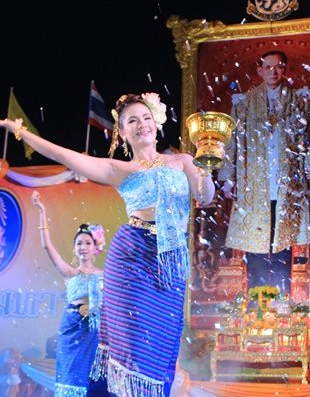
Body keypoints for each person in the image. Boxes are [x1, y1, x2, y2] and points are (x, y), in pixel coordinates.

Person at [1, 91, 216, 397]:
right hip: (133, 258)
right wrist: (21, 133)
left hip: (170, 263)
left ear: (156, 122)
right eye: (132, 121)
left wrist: (206, 165)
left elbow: (205, 196)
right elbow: (63, 155)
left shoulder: (182, 161)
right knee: (134, 344)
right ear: (123, 133)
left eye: (146, 117)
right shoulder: (120, 170)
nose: (142, 124)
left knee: (162, 346)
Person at [218, 50, 310, 294]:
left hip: (287, 182)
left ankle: (282, 299)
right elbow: (232, 141)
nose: (273, 71)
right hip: (254, 182)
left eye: (278, 66)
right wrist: (227, 178)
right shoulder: (244, 102)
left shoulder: (300, 100)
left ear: (285, 69)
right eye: (268, 67)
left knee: (282, 241)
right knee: (256, 243)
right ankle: (256, 298)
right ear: (260, 71)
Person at [31, 191, 104, 397]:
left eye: (88, 243)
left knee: (94, 379)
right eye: (79, 243)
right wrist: (41, 210)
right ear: (74, 249)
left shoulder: (105, 275)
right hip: (73, 330)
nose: (83, 247)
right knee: (71, 377)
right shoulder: (69, 273)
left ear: (96, 247)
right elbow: (47, 246)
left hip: (96, 332)